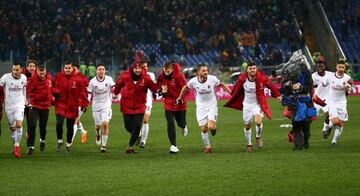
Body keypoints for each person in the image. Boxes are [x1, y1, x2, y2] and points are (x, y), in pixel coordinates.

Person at [224, 62, 281, 152]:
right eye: (250, 68)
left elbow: (271, 85)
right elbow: (236, 90)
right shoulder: (242, 78)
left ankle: (258, 137)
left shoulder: (261, 77)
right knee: (247, 126)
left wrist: (277, 95)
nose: (252, 70)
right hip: (247, 105)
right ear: (247, 70)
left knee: (258, 122)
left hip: (258, 104)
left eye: (254, 68)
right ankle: (249, 144)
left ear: (256, 69)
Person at [177, 63, 231, 153]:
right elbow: (185, 88)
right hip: (201, 108)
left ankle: (213, 128)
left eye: (206, 70)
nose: (206, 72)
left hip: (212, 106)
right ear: (198, 72)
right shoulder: (193, 81)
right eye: (203, 71)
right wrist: (180, 97)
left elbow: (222, 84)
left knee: (211, 127)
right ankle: (208, 147)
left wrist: (231, 93)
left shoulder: (212, 79)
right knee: (203, 129)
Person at [113, 61, 159, 154]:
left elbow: (153, 87)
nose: (137, 70)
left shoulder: (146, 77)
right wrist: (116, 93)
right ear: (132, 69)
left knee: (137, 126)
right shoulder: (124, 76)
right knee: (128, 126)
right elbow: (118, 85)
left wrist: (160, 89)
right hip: (126, 105)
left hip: (140, 106)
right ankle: (138, 136)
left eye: (139, 68)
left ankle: (129, 147)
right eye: (136, 68)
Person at [52, 61, 88, 152]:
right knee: (59, 123)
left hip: (72, 106)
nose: (67, 69)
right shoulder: (58, 76)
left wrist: (84, 104)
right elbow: (51, 86)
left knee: (70, 126)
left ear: (72, 69)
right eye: (66, 68)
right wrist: (55, 91)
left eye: (69, 68)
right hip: (60, 105)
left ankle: (68, 144)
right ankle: (60, 140)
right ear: (64, 69)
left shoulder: (78, 79)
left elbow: (83, 92)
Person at [320, 59, 354, 147]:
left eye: (343, 67)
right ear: (336, 67)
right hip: (332, 102)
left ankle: (334, 141)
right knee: (335, 121)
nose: (341, 69)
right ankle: (329, 128)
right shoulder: (331, 77)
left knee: (340, 124)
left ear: (345, 68)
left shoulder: (347, 78)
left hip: (342, 103)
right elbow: (323, 84)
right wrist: (316, 94)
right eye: (339, 67)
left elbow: (352, 90)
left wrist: (348, 87)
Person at [157, 62, 188, 153]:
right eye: (165, 69)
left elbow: (186, 88)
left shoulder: (179, 76)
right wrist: (159, 90)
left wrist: (181, 98)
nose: (166, 71)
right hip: (168, 103)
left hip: (179, 103)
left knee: (180, 122)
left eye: (168, 69)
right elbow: (159, 83)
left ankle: (184, 126)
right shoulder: (161, 76)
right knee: (170, 123)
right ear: (163, 68)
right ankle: (173, 145)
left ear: (172, 69)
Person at [0, 62, 27, 158]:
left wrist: (25, 100)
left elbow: (24, 89)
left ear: (21, 70)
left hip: (19, 104)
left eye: (17, 69)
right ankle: (15, 144)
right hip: (8, 106)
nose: (15, 71)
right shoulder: (5, 77)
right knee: (12, 128)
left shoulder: (24, 78)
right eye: (14, 69)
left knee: (19, 125)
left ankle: (17, 146)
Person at [26, 64, 53, 155]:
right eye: (40, 73)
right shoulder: (31, 80)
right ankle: (31, 146)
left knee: (43, 126)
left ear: (45, 72)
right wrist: (35, 98)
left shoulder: (49, 79)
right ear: (37, 72)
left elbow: (51, 90)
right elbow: (28, 91)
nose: (42, 75)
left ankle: (42, 140)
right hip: (35, 106)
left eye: (43, 73)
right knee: (32, 125)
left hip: (45, 106)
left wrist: (50, 101)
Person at [88, 64, 115, 152]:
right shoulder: (92, 82)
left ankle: (103, 146)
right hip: (96, 106)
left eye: (103, 69)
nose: (101, 71)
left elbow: (114, 88)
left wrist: (116, 94)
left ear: (105, 70)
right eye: (99, 69)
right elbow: (89, 93)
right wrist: (86, 102)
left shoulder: (109, 79)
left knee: (105, 124)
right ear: (96, 71)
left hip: (106, 105)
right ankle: (97, 134)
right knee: (98, 126)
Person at [311, 58, 332, 138]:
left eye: (321, 66)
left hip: (326, 98)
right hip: (316, 99)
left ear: (324, 67)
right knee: (310, 118)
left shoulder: (330, 74)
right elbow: (310, 87)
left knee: (328, 114)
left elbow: (339, 77)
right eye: (318, 67)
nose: (320, 68)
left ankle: (325, 129)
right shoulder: (313, 76)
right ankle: (304, 132)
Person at [137, 61, 156, 148]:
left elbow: (153, 86)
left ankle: (143, 141)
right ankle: (139, 133)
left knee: (145, 120)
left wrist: (155, 93)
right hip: (137, 100)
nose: (145, 68)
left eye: (146, 66)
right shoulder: (135, 76)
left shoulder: (151, 75)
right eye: (143, 66)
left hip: (147, 100)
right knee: (136, 122)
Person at [71, 64, 89, 144]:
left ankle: (69, 142)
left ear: (78, 70)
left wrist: (85, 105)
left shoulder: (84, 79)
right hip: (71, 103)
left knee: (74, 121)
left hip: (80, 103)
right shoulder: (69, 79)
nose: (73, 71)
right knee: (76, 120)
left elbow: (88, 93)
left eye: (75, 69)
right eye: (72, 69)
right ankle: (83, 132)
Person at [22, 60, 37, 137]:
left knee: (30, 123)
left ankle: (30, 144)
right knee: (18, 123)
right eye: (30, 66)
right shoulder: (21, 76)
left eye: (33, 66)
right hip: (21, 103)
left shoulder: (38, 77)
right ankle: (16, 143)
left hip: (32, 103)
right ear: (27, 67)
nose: (32, 68)